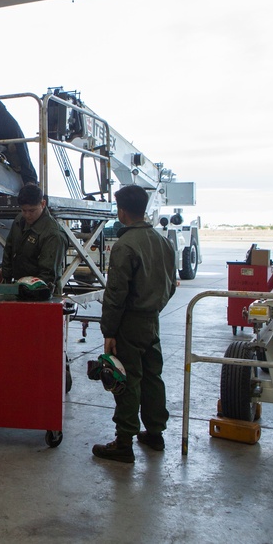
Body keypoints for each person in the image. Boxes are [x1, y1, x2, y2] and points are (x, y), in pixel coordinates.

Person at [92, 184, 177, 464]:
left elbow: (115, 295)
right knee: (153, 376)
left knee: (124, 379)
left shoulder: (124, 246)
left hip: (129, 323)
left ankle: (124, 442)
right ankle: (155, 433)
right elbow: (170, 284)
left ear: (122, 211)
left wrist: (109, 331)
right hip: (152, 320)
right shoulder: (162, 241)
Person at [0, 183, 68, 295]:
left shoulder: (53, 234)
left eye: (32, 211)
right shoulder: (19, 221)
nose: (27, 215)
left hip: (42, 293)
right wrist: (6, 281)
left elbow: (48, 274)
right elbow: (9, 250)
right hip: (19, 288)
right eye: (23, 210)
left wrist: (29, 291)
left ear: (43, 204)